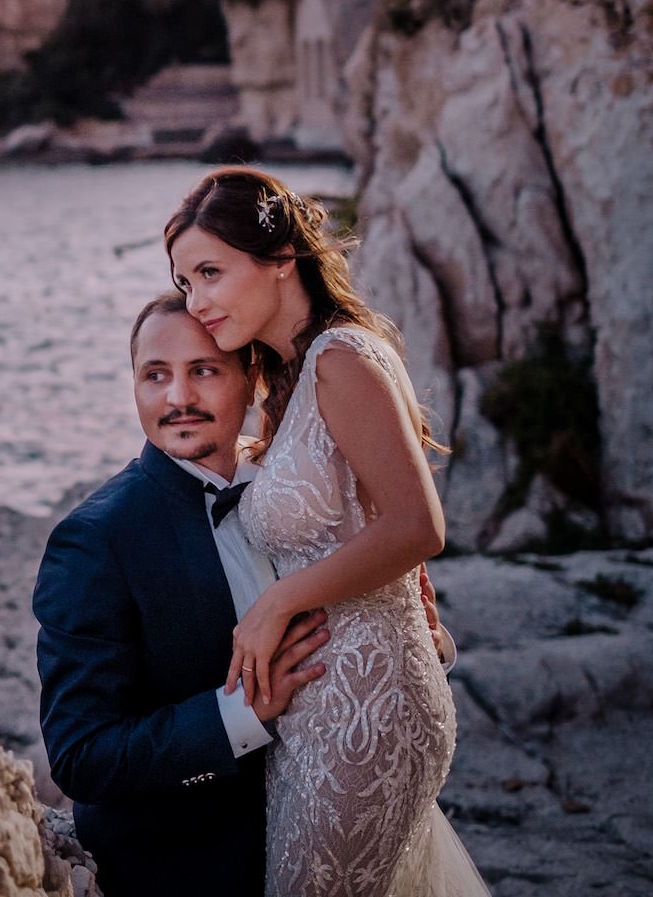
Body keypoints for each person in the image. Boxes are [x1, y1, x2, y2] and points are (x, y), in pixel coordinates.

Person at [165, 167, 487, 897]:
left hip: (371, 706)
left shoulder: (342, 358)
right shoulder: (293, 375)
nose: (198, 301)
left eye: (211, 272)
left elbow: (417, 525)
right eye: (186, 283)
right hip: (321, 704)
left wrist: (275, 607)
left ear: (281, 259)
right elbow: (349, 511)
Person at [33, 292, 332, 897]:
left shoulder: (296, 492)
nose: (178, 398)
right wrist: (241, 715)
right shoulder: (96, 541)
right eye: (155, 376)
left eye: (203, 370)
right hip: (188, 867)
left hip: (326, 827)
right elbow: (81, 756)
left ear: (250, 379)